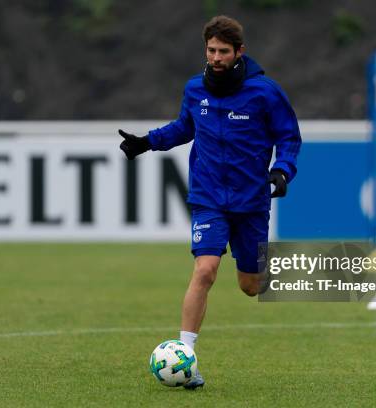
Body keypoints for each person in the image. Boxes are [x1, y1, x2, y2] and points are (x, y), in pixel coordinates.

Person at [119, 15, 301, 389]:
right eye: (211, 50)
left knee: (251, 285)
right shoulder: (194, 89)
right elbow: (185, 127)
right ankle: (186, 359)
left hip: (251, 202)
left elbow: (289, 138)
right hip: (208, 197)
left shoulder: (265, 92)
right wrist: (147, 142)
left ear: (239, 53)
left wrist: (282, 170)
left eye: (223, 51)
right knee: (204, 270)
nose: (216, 57)